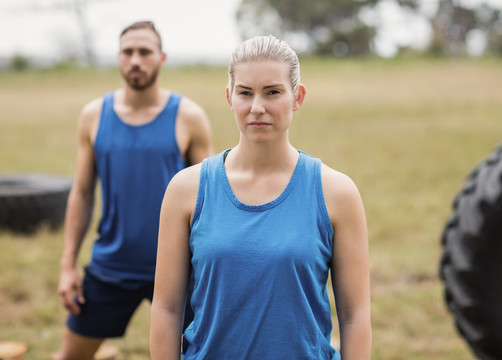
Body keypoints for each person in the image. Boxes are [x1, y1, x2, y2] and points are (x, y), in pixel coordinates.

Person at [150, 35, 371, 359]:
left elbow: (355, 316)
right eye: (245, 93)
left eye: (272, 92)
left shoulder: (337, 193)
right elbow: (167, 310)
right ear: (229, 97)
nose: (257, 107)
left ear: (298, 96)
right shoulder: (186, 190)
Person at [54, 20, 213, 360]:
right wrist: (68, 265)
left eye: (145, 52)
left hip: (178, 269)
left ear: (162, 58)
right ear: (118, 58)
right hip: (111, 266)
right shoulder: (94, 115)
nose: (136, 60)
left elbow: (211, 201)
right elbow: (82, 193)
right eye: (128, 52)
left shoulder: (189, 117)